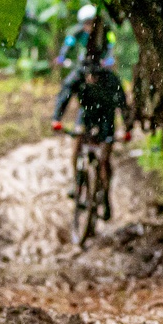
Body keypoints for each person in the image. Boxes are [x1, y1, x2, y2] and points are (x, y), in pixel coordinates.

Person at [52, 59, 132, 220]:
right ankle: (77, 182)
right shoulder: (77, 76)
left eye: (96, 76)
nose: (93, 79)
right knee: (77, 145)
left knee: (104, 158)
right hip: (86, 114)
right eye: (90, 76)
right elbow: (64, 95)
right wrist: (56, 118)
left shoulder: (111, 79)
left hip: (106, 117)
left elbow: (122, 103)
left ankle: (105, 193)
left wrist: (127, 128)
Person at [56, 4, 116, 69]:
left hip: (101, 63)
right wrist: (62, 56)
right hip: (84, 63)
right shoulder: (78, 32)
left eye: (90, 22)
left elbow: (111, 45)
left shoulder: (105, 31)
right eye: (86, 23)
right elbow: (68, 43)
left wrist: (110, 59)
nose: (88, 26)